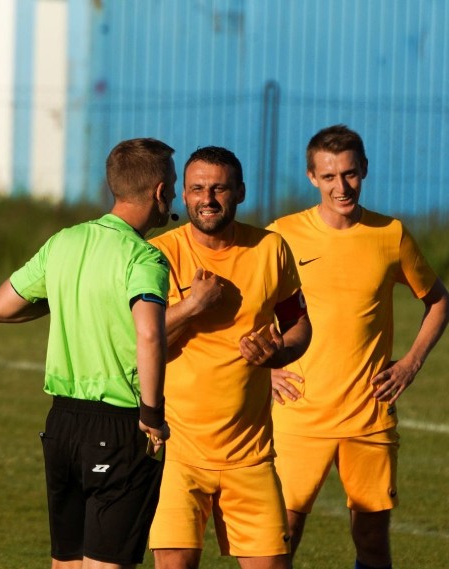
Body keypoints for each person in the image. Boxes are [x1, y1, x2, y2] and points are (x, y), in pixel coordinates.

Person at [267, 124, 449, 569]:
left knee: (370, 539)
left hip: (367, 413)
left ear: (364, 170)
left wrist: (410, 364)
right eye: (329, 177)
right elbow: (245, 310)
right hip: (298, 411)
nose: (341, 186)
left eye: (349, 174)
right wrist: (266, 368)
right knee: (281, 538)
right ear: (312, 177)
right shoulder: (281, 235)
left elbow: (439, 302)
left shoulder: (390, 234)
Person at [0, 137, 178, 569]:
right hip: (118, 427)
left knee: (67, 562)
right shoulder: (144, 257)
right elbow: (150, 335)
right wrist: (152, 413)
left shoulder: (64, 242)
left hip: (61, 426)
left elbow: (0, 308)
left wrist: (67, 297)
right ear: (161, 192)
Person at [147, 146, 312, 569]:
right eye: (198, 188)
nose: (209, 198)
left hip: (251, 456)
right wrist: (192, 307)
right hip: (177, 453)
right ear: (183, 195)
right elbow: (139, 338)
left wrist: (279, 353)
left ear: (240, 191)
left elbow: (299, 325)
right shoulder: (158, 254)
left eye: (220, 187)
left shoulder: (270, 249)